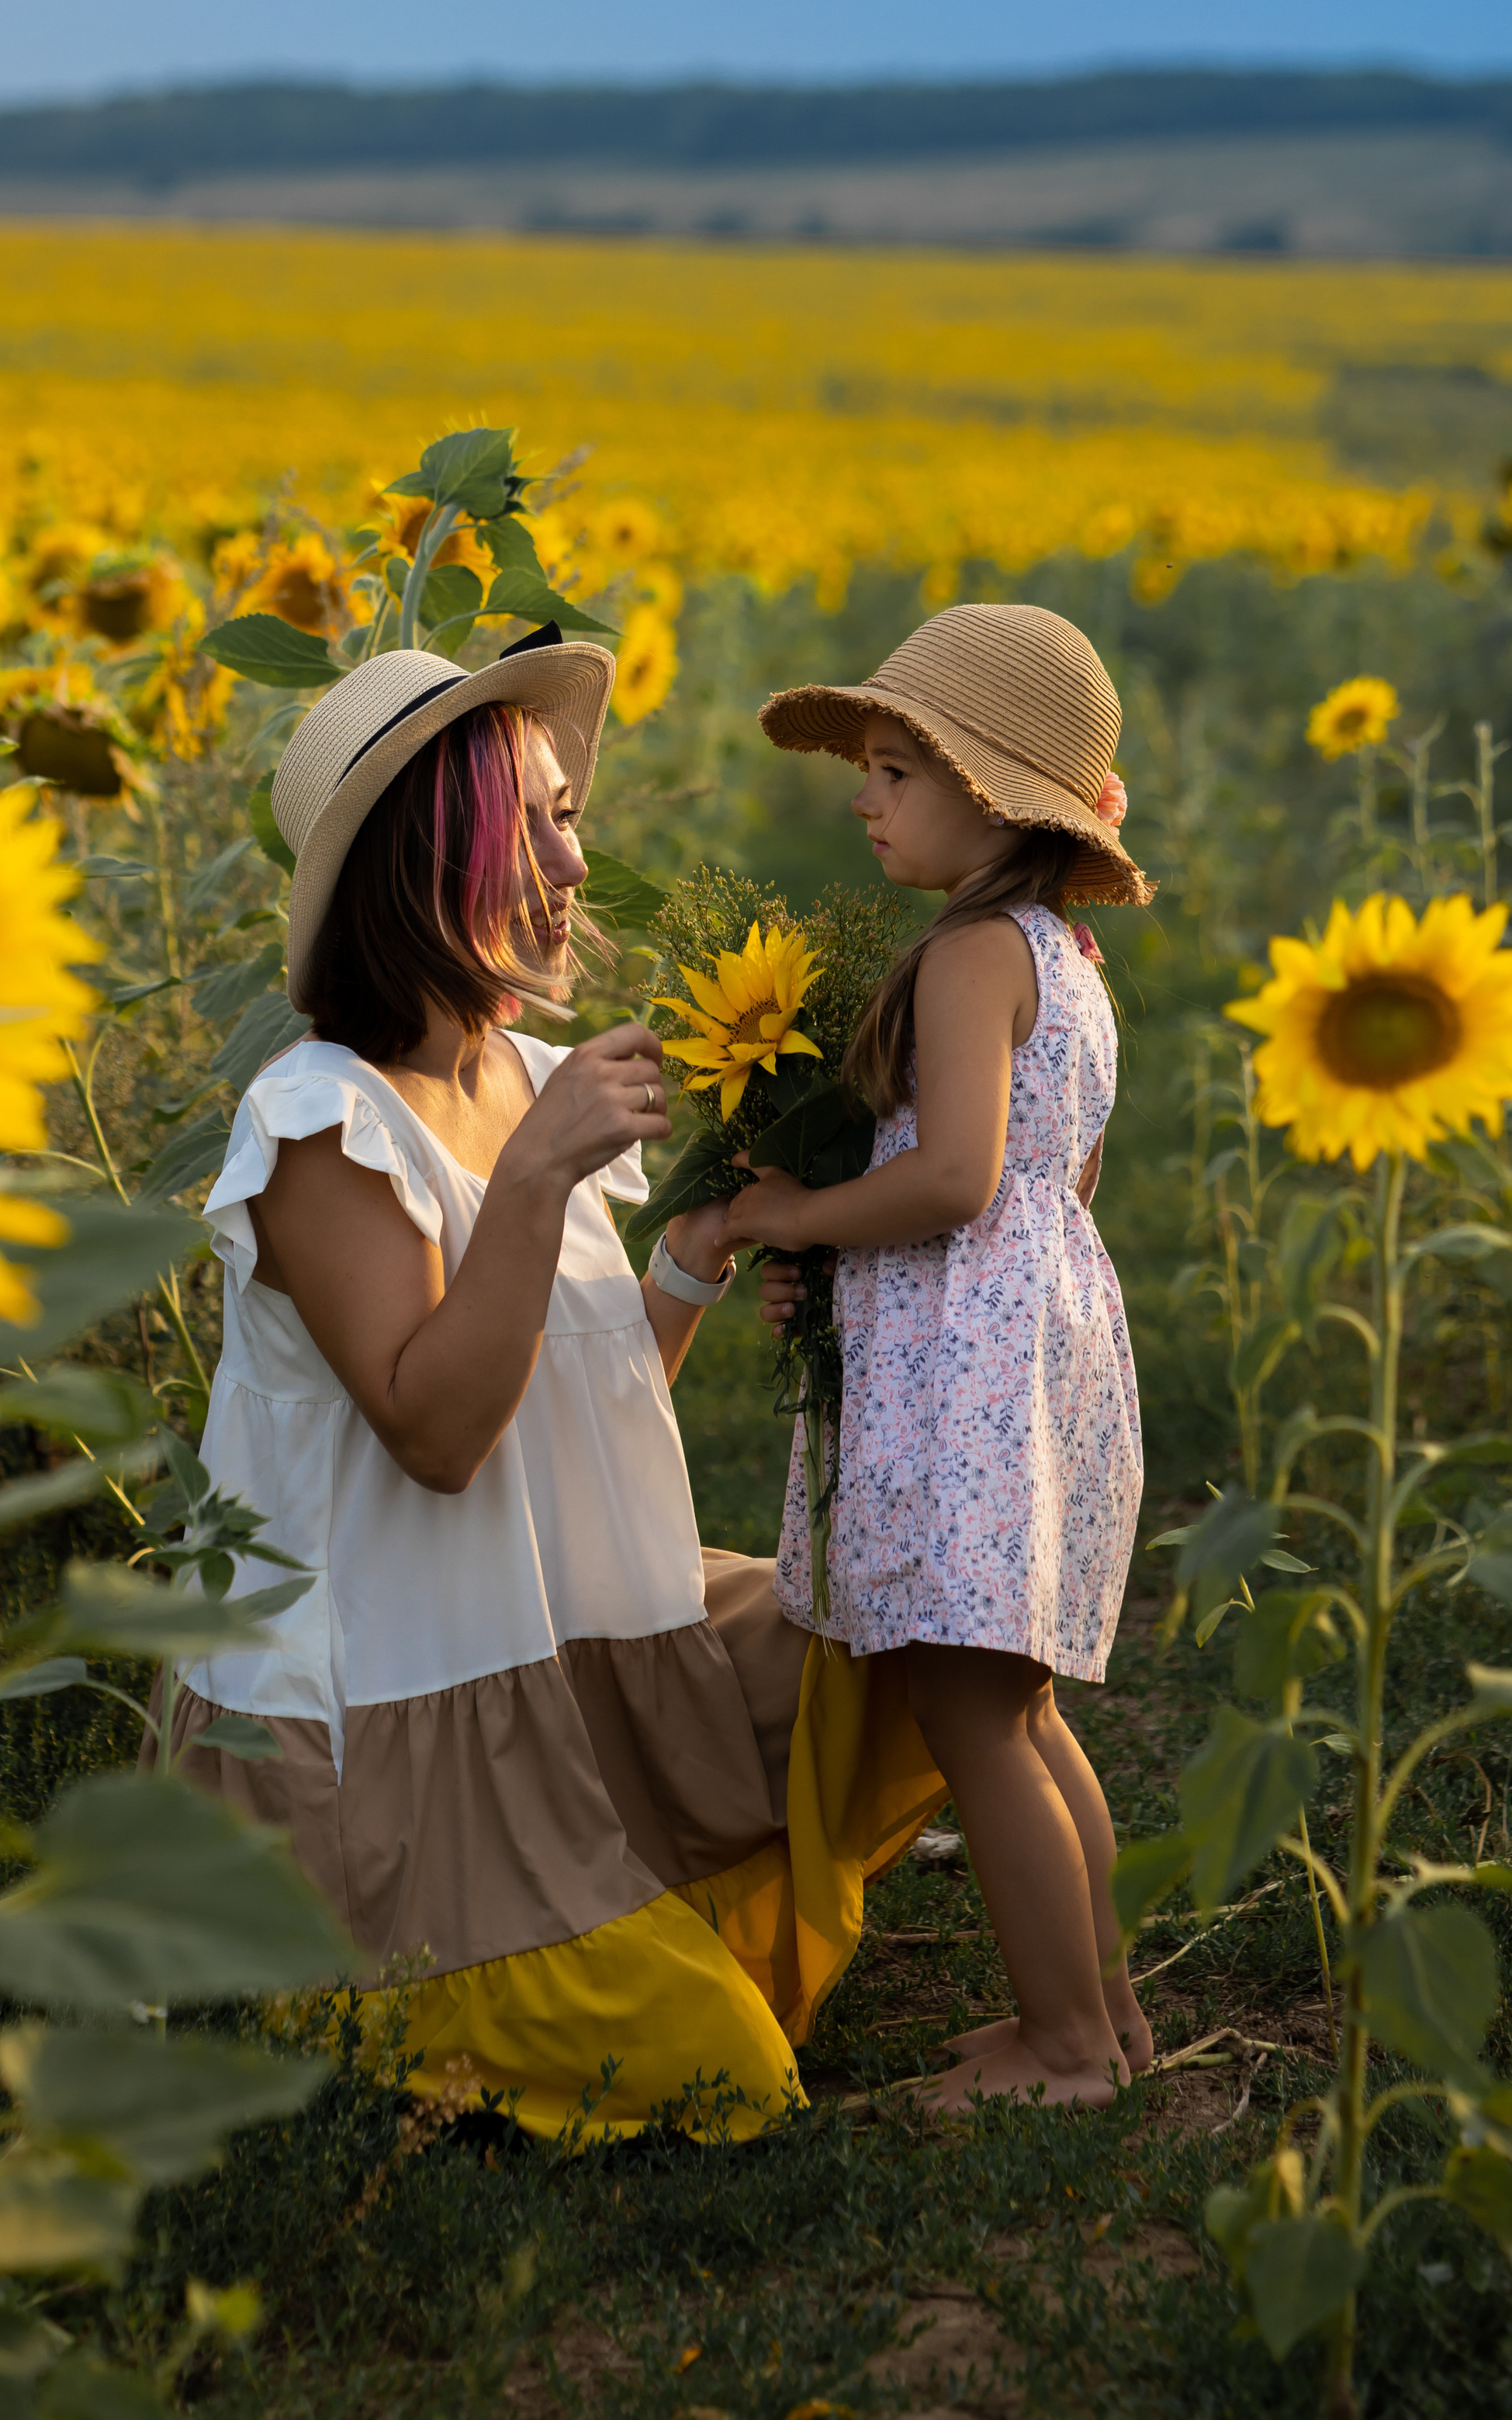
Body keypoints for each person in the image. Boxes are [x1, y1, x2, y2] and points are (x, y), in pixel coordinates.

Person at [155, 630, 944, 2140]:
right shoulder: (321, 1122)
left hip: (556, 1649)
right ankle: (334, 1976)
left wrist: (691, 1260)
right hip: (388, 1732)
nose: (574, 867)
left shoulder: (523, 1078)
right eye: (534, 827)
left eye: (568, 820)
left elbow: (562, 1414)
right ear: (425, 864)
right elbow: (444, 1435)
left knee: (908, 1628)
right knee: (721, 2075)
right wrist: (534, 1174)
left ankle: (629, 1897)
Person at [733, 602, 1150, 2111]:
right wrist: (841, 1270)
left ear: (990, 794)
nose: (865, 794)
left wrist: (797, 1212)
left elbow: (955, 1180)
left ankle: (1059, 2048)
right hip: (1031, 1366)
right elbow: (1056, 1189)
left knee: (974, 1719)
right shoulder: (1064, 952)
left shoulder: (970, 957)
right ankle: (1099, 2017)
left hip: (964, 1390)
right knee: (1021, 1708)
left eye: (895, 769)